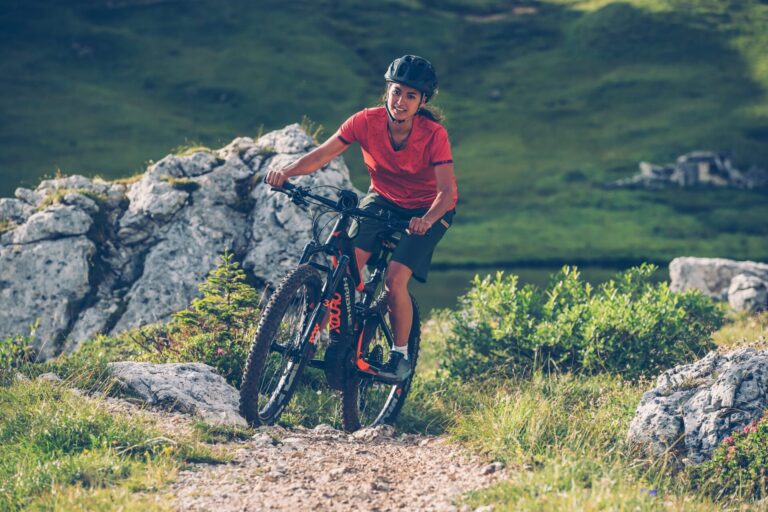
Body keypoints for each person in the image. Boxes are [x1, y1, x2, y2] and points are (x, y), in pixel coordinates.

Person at [265, 54, 458, 381]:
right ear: (387, 90)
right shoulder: (364, 121)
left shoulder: (433, 134)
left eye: (411, 96)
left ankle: (399, 356)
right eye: (397, 91)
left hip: (427, 209)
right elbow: (322, 155)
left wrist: (426, 219)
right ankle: (312, 341)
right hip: (382, 199)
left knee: (395, 278)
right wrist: (287, 172)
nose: (401, 101)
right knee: (343, 265)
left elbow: (447, 193)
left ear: (422, 101)